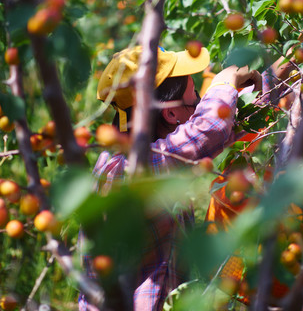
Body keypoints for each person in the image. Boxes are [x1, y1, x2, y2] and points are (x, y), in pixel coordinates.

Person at [78, 45, 262, 311]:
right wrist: (223, 83)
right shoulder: (124, 172)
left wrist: (287, 67)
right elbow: (209, 130)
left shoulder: (154, 160)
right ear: (172, 113)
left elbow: (223, 130)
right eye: (196, 94)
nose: (201, 101)